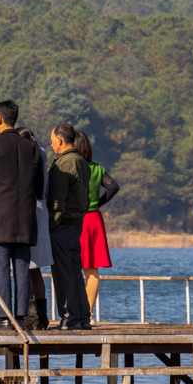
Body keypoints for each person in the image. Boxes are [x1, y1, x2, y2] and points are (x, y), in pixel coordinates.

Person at [0, 100, 42, 330]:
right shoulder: (31, 148)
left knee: (1, 268)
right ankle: (20, 318)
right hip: (25, 219)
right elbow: (39, 186)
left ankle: (4, 317)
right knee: (21, 268)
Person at [45, 123, 94, 330]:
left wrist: (51, 225)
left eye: (52, 141)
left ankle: (69, 318)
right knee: (75, 272)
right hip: (76, 224)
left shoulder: (64, 163)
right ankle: (82, 317)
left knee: (63, 274)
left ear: (60, 140)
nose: (51, 145)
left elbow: (57, 201)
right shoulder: (82, 162)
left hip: (62, 225)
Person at [75, 130, 119, 319]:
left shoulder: (71, 166)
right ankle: (89, 313)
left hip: (76, 219)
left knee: (72, 267)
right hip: (94, 219)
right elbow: (113, 186)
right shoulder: (97, 168)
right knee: (92, 270)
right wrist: (98, 203)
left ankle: (74, 313)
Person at [17, 127, 52, 326]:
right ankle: (42, 317)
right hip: (42, 214)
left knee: (26, 267)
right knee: (34, 269)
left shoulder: (27, 160)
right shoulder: (41, 157)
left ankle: (29, 317)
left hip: (28, 216)